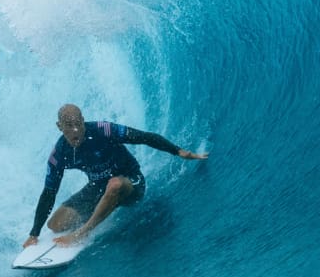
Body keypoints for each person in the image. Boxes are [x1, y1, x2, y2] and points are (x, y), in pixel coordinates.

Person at [22, 104, 208, 248]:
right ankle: (102, 208)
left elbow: (144, 137)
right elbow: (49, 192)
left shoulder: (103, 130)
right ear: (59, 127)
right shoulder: (59, 154)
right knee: (55, 224)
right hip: (98, 186)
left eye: (78, 124)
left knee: (115, 185)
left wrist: (179, 151)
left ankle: (83, 232)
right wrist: (34, 234)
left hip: (130, 181)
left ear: (83, 120)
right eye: (69, 126)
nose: (76, 130)